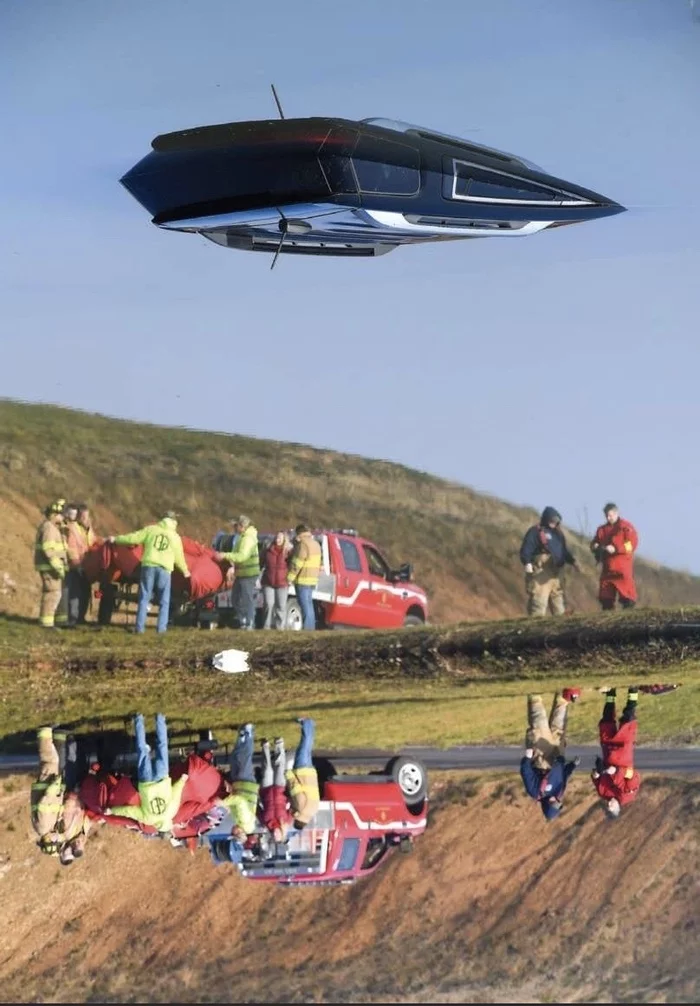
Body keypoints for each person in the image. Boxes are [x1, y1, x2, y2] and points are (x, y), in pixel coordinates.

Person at [107, 510, 190, 633]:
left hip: (148, 566)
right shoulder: (175, 537)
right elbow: (179, 557)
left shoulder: (151, 530)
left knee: (144, 597)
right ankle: (161, 629)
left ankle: (140, 628)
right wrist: (185, 571)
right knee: (164, 601)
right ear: (174, 522)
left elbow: (133, 538)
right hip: (164, 570)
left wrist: (116, 539)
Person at [107, 714, 189, 833]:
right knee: (142, 751)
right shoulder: (148, 820)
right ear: (158, 826)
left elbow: (176, 793)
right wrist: (112, 811)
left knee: (162, 747)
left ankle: (160, 718)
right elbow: (129, 811)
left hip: (162, 778)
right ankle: (138, 719)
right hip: (146, 782)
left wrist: (182, 780)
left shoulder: (172, 812)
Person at [31, 726, 90, 864]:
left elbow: (45, 804)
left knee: (52, 761)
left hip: (50, 789)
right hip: (55, 791)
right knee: (57, 763)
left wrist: (54, 788)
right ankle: (57, 735)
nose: (57, 839)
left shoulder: (46, 827)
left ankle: (46, 732)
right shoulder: (50, 830)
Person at [519, 693, 580, 820]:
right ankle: (563, 697)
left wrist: (527, 758)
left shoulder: (535, 792)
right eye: (558, 803)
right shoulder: (559, 792)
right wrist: (573, 765)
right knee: (559, 726)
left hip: (541, 757)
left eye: (554, 804)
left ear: (547, 805)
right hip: (558, 755)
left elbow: (526, 772)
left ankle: (535, 696)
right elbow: (564, 776)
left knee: (539, 724)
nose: (556, 801)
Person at [519, 506, 578, 617]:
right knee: (539, 601)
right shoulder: (535, 532)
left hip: (557, 573)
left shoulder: (559, 534)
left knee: (559, 602)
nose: (554, 523)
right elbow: (526, 548)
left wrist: (573, 561)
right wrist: (527, 562)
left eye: (556, 521)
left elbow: (564, 551)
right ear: (546, 518)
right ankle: (535, 627)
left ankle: (561, 627)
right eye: (552, 520)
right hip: (541, 572)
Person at [591, 686, 641, 817]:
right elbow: (633, 775)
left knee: (606, 719)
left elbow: (595, 779)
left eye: (607, 808)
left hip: (607, 750)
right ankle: (633, 690)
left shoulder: (603, 793)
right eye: (611, 808)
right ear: (618, 808)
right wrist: (618, 771)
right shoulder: (628, 794)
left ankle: (611, 692)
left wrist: (596, 773)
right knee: (628, 717)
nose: (609, 805)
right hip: (623, 751)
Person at [217, 722, 260, 850]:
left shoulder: (238, 821)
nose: (232, 831)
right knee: (244, 758)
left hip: (238, 785)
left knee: (234, 759)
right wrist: (223, 803)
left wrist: (228, 802)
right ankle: (249, 732)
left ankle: (241, 737)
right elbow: (240, 801)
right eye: (233, 833)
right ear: (239, 833)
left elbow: (234, 803)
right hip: (246, 785)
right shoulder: (246, 821)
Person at [214, 516, 260, 630]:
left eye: (237, 526)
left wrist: (225, 555)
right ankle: (243, 619)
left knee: (247, 598)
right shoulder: (241, 538)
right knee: (235, 598)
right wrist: (231, 566)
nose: (235, 528)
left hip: (248, 573)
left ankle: (249, 622)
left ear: (242, 526)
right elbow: (235, 555)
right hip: (241, 573)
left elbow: (242, 556)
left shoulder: (248, 539)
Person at [590, 503, 639, 611]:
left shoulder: (626, 527)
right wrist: (595, 546)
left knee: (627, 598)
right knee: (605, 598)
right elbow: (594, 542)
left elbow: (631, 544)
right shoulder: (601, 530)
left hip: (622, 568)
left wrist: (616, 548)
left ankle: (628, 619)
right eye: (606, 516)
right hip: (607, 569)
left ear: (617, 513)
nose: (608, 518)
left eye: (610, 515)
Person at [34, 499, 69, 628]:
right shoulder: (49, 528)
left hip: (52, 568)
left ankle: (58, 621)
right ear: (54, 514)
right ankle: (46, 623)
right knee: (52, 593)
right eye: (61, 515)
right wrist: (58, 567)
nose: (63, 517)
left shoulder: (54, 528)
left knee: (56, 593)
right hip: (50, 568)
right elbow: (48, 550)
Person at [63, 502, 97, 625]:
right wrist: (76, 564)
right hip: (76, 565)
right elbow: (71, 548)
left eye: (87, 517)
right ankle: (73, 618)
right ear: (78, 517)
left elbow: (93, 543)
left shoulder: (88, 529)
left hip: (86, 566)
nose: (86, 519)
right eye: (83, 517)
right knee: (74, 593)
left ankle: (81, 617)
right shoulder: (72, 529)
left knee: (85, 592)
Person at [285, 717, 320, 829]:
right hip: (302, 774)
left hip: (310, 774)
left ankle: (310, 726)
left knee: (307, 748)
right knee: (303, 746)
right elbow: (296, 789)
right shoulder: (301, 808)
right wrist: (288, 774)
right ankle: (307, 723)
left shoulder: (313, 811)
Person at [287, 524, 322, 630]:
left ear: (299, 534)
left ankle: (307, 628)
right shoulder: (316, 544)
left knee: (305, 606)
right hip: (312, 580)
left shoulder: (303, 545)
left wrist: (290, 578)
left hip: (303, 579)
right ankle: (310, 628)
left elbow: (297, 563)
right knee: (309, 605)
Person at [259, 736, 294, 842]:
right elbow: (293, 808)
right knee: (279, 768)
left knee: (267, 770)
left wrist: (257, 797)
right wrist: (290, 796)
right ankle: (279, 744)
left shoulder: (265, 822)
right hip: (280, 790)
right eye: (278, 835)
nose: (275, 834)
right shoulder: (287, 821)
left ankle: (265, 747)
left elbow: (256, 810)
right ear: (282, 833)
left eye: (274, 836)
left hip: (266, 791)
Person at [261, 531, 291, 630]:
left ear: (284, 540)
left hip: (282, 583)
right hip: (268, 581)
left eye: (280, 538)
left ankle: (280, 627)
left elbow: (293, 565)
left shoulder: (288, 552)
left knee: (281, 606)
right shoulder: (268, 550)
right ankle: (266, 626)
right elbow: (261, 562)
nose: (278, 540)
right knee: (268, 604)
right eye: (277, 537)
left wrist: (290, 578)